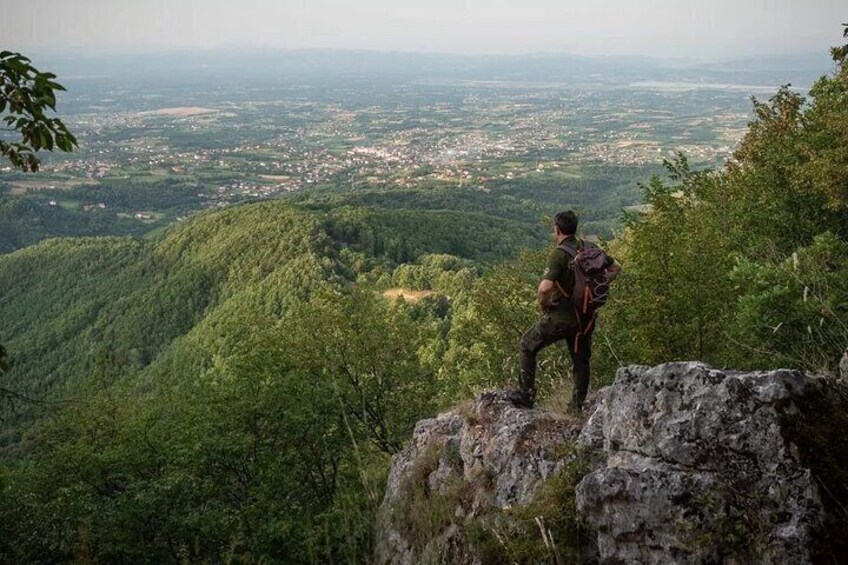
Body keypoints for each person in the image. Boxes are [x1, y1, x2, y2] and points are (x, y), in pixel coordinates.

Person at [514, 210, 621, 411]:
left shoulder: (559, 254)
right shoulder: (589, 247)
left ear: (557, 229)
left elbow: (544, 287)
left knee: (527, 346)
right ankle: (576, 406)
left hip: (561, 319)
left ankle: (526, 396)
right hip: (585, 318)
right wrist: (597, 289)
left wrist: (543, 304)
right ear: (574, 228)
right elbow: (616, 267)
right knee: (581, 360)